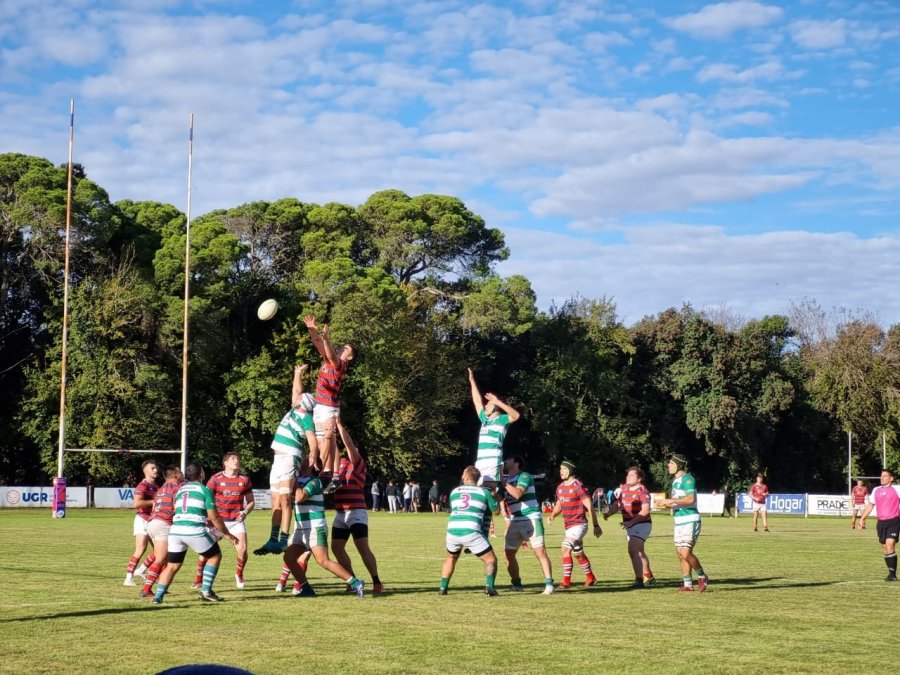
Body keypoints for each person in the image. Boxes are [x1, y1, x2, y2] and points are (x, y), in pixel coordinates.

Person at [152, 463, 238, 604]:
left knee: (172, 566)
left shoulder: (180, 490)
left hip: (176, 531)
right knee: (215, 556)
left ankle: (158, 597)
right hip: (193, 530)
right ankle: (206, 591)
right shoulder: (204, 490)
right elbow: (215, 517)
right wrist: (228, 534)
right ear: (202, 474)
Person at [255, 364, 317, 556]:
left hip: (291, 458)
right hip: (278, 459)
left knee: (284, 499)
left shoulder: (306, 418)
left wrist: (313, 454)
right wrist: (297, 373)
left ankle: (283, 539)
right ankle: (272, 539)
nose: (296, 397)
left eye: (299, 398)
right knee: (275, 500)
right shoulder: (294, 410)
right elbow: (296, 389)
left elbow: (312, 440)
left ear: (302, 403)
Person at [280, 457, 366, 597]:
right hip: (301, 529)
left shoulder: (315, 481)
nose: (302, 461)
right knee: (289, 558)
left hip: (315, 527)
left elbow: (300, 497)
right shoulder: (298, 480)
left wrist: (293, 481)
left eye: (307, 460)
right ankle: (306, 588)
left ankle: (356, 582)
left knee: (323, 560)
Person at [329, 419, 383, 594]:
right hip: (340, 512)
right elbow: (334, 451)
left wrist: (339, 426)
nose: (351, 450)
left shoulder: (358, 464)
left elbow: (350, 447)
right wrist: (330, 434)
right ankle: (352, 580)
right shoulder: (340, 464)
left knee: (362, 547)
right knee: (336, 548)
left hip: (356, 511)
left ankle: (377, 581)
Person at [304, 315, 355, 492]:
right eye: (344, 347)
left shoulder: (341, 365)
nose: (343, 349)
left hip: (329, 406)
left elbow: (331, 355)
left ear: (349, 358)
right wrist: (312, 329)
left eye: (347, 349)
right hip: (319, 405)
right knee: (319, 441)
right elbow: (317, 342)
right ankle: (324, 472)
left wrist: (326, 339)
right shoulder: (329, 359)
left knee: (329, 439)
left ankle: (334, 476)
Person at [439, 466, 501, 596]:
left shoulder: (455, 491)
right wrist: (494, 496)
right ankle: (489, 587)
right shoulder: (484, 493)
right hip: (471, 530)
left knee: (451, 558)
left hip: (452, 530)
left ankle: (442, 589)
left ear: (466, 477)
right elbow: (496, 512)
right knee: (490, 560)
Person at [500, 456, 554, 594]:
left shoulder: (524, 476)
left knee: (539, 552)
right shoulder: (506, 480)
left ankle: (549, 584)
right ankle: (516, 584)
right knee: (508, 553)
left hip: (531, 517)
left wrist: (502, 481)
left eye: (508, 459)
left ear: (516, 463)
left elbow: (517, 494)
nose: (505, 461)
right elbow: (499, 500)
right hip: (515, 520)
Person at [655, 454, 708, 592]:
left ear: (678, 465)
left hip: (690, 520)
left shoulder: (688, 479)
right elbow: (678, 502)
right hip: (679, 521)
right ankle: (688, 584)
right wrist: (664, 503)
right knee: (680, 552)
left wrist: (670, 501)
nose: (668, 466)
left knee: (685, 552)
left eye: (671, 463)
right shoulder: (675, 481)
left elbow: (690, 499)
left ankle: (702, 575)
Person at [548, 460, 601, 589]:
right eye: (560, 469)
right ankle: (591, 577)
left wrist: (595, 525)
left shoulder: (578, 486)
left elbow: (589, 505)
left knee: (565, 549)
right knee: (578, 553)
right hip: (568, 526)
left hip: (579, 524)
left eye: (563, 469)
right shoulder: (560, 488)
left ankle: (566, 582)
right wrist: (553, 514)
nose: (561, 471)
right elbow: (560, 504)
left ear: (570, 470)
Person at [207, 452, 255, 588]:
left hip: (236, 521)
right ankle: (198, 579)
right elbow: (206, 499)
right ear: (226, 463)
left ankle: (239, 573)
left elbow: (251, 501)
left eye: (238, 459)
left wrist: (245, 512)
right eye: (233, 459)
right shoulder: (215, 479)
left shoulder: (245, 480)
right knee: (206, 551)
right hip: (218, 521)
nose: (236, 461)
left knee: (243, 549)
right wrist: (208, 517)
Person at [603, 467, 656, 588]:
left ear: (639, 479)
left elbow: (645, 511)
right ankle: (649, 576)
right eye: (628, 475)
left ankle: (639, 580)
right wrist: (609, 513)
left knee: (633, 550)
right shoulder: (625, 489)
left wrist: (631, 522)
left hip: (642, 524)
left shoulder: (642, 491)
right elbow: (618, 504)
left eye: (632, 475)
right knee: (640, 553)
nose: (628, 477)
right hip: (630, 524)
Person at [467, 367, 520, 486]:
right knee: (480, 492)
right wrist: (472, 380)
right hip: (480, 462)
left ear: (495, 407)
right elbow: (477, 401)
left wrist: (498, 402)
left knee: (491, 492)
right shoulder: (484, 419)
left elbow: (516, 415)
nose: (485, 406)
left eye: (489, 404)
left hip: (492, 462)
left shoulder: (501, 419)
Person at [139, 464, 184, 598]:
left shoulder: (161, 489)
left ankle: (155, 584)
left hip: (153, 522)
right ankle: (146, 589)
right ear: (175, 475)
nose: (183, 474)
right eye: (180, 472)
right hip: (163, 524)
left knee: (160, 557)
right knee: (160, 559)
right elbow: (177, 507)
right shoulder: (177, 488)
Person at [859, 469, 900, 581]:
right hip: (881, 522)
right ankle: (890, 572)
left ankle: (893, 575)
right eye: (881, 476)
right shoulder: (876, 490)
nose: (881, 478)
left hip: (894, 521)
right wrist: (862, 518)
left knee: (890, 544)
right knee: (885, 548)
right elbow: (871, 506)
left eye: (884, 476)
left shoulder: (897, 489)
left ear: (891, 478)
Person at [124, 460, 160, 586]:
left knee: (159, 551)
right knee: (141, 549)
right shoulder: (142, 486)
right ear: (146, 471)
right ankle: (128, 578)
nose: (156, 470)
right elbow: (137, 503)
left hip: (153, 520)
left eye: (156, 468)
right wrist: (152, 502)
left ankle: (141, 570)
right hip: (143, 519)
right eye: (153, 468)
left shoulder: (156, 487)